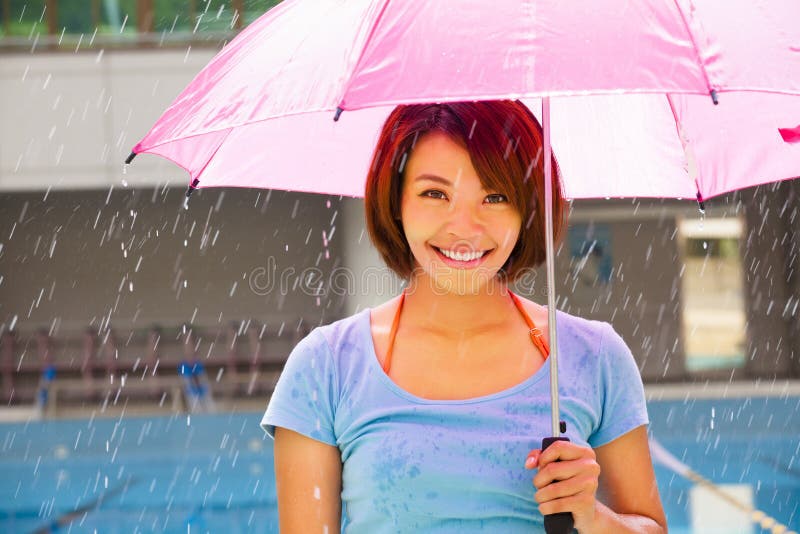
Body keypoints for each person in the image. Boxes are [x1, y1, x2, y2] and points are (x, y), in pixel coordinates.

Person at [261, 100, 667, 533]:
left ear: (528, 208)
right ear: (395, 201)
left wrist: (593, 516)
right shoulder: (325, 366)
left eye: (495, 196)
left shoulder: (596, 357)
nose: (465, 227)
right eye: (435, 193)